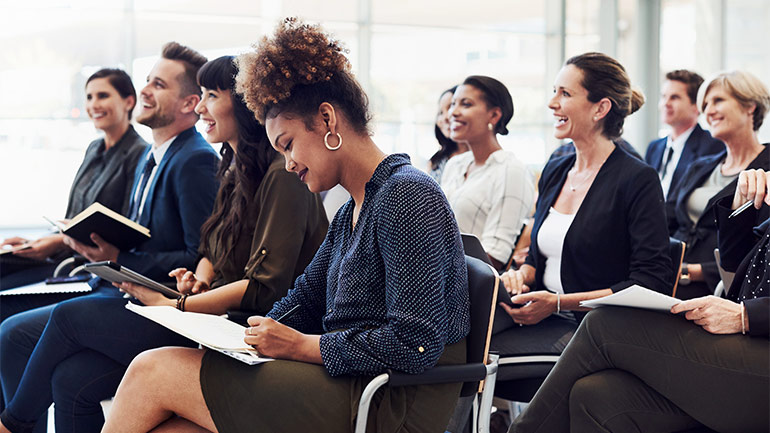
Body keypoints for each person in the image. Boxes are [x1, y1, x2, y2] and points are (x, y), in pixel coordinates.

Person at [102, 17, 470, 433]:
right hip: (351, 382)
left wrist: (302, 346)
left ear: (328, 121)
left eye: (289, 144)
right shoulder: (354, 209)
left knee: (152, 370)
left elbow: (413, 343)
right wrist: (243, 336)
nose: (289, 162)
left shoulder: (406, 195)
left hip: (389, 400)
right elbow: (302, 302)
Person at [0, 55, 329, 433]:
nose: (201, 106)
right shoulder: (232, 168)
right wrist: (199, 279)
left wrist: (178, 302)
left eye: (210, 95)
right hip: (205, 314)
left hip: (238, 328)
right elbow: (209, 249)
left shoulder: (279, 175)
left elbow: (264, 286)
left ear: (242, 104)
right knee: (72, 379)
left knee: (66, 318)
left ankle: (12, 424)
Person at [0, 42, 220, 433]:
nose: (146, 90)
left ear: (190, 104)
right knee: (36, 353)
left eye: (158, 84)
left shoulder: (195, 160)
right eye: (147, 80)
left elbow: (199, 253)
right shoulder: (154, 157)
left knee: (35, 329)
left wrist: (119, 257)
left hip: (156, 304)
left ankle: (13, 423)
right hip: (117, 285)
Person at [509, 168, 769, 433]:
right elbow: (735, 263)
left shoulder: (634, 176)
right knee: (594, 396)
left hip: (759, 340)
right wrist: (741, 206)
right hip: (745, 341)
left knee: (605, 323)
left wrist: (745, 315)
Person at [492, 52, 672, 367]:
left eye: (565, 94)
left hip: (600, 328)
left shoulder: (636, 179)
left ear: (600, 108)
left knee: (480, 355)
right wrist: (521, 275)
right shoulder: (556, 167)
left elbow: (650, 282)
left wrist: (559, 302)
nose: (552, 103)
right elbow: (538, 257)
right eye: (554, 91)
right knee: (468, 340)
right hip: (547, 320)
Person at [0, 68, 148, 295]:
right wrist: (38, 242)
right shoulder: (94, 148)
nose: (93, 105)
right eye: (89, 97)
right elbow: (74, 217)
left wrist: (58, 242)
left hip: (83, 265)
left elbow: (125, 226)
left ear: (129, 102)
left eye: (103, 96)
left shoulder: (139, 154)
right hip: (62, 252)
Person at [670, 70, 769, 300]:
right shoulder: (699, 166)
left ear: (749, 106)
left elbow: (760, 249)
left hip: (718, 289)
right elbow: (667, 219)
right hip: (670, 276)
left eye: (718, 101)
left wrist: (692, 272)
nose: (708, 111)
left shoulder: (768, 169)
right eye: (705, 105)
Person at [441, 76, 535, 270]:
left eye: (466, 104)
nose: (453, 113)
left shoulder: (511, 170)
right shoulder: (455, 165)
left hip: (470, 288)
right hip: (440, 277)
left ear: (494, 116)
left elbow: (495, 257)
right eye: (453, 105)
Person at [645, 69, 724, 234]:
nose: (666, 103)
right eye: (663, 96)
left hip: (678, 236)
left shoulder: (712, 147)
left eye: (674, 97)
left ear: (696, 106)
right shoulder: (655, 147)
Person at [428, 85, 468, 183]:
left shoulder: (480, 160)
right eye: (440, 112)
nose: (446, 117)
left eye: (450, 107)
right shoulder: (435, 161)